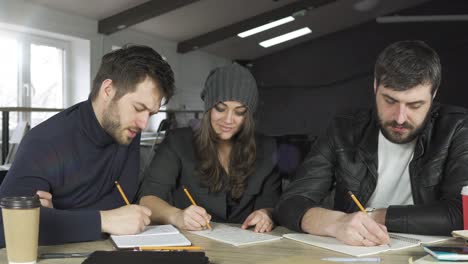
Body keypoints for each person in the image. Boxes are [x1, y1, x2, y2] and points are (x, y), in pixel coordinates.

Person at [275, 40, 468, 246]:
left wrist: (372, 216)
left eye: (414, 105)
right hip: (355, 252)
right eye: (390, 101)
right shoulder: (344, 129)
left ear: (434, 93)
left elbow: (461, 213)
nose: (400, 118)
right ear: (375, 86)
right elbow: (291, 203)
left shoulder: (458, 128)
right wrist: (337, 223)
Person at [0, 44, 175, 246]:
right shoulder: (45, 141)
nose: (144, 123)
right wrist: (104, 220)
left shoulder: (127, 130)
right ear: (108, 90)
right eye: (138, 108)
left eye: (151, 114)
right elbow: (7, 227)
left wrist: (55, 218)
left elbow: (122, 200)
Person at [139, 64, 281, 233]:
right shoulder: (177, 142)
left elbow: (274, 205)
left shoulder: (268, 148)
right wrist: (176, 215)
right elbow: (147, 200)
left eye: (239, 112)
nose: (228, 120)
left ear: (248, 116)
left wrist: (267, 214)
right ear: (208, 108)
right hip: (192, 244)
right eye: (220, 109)